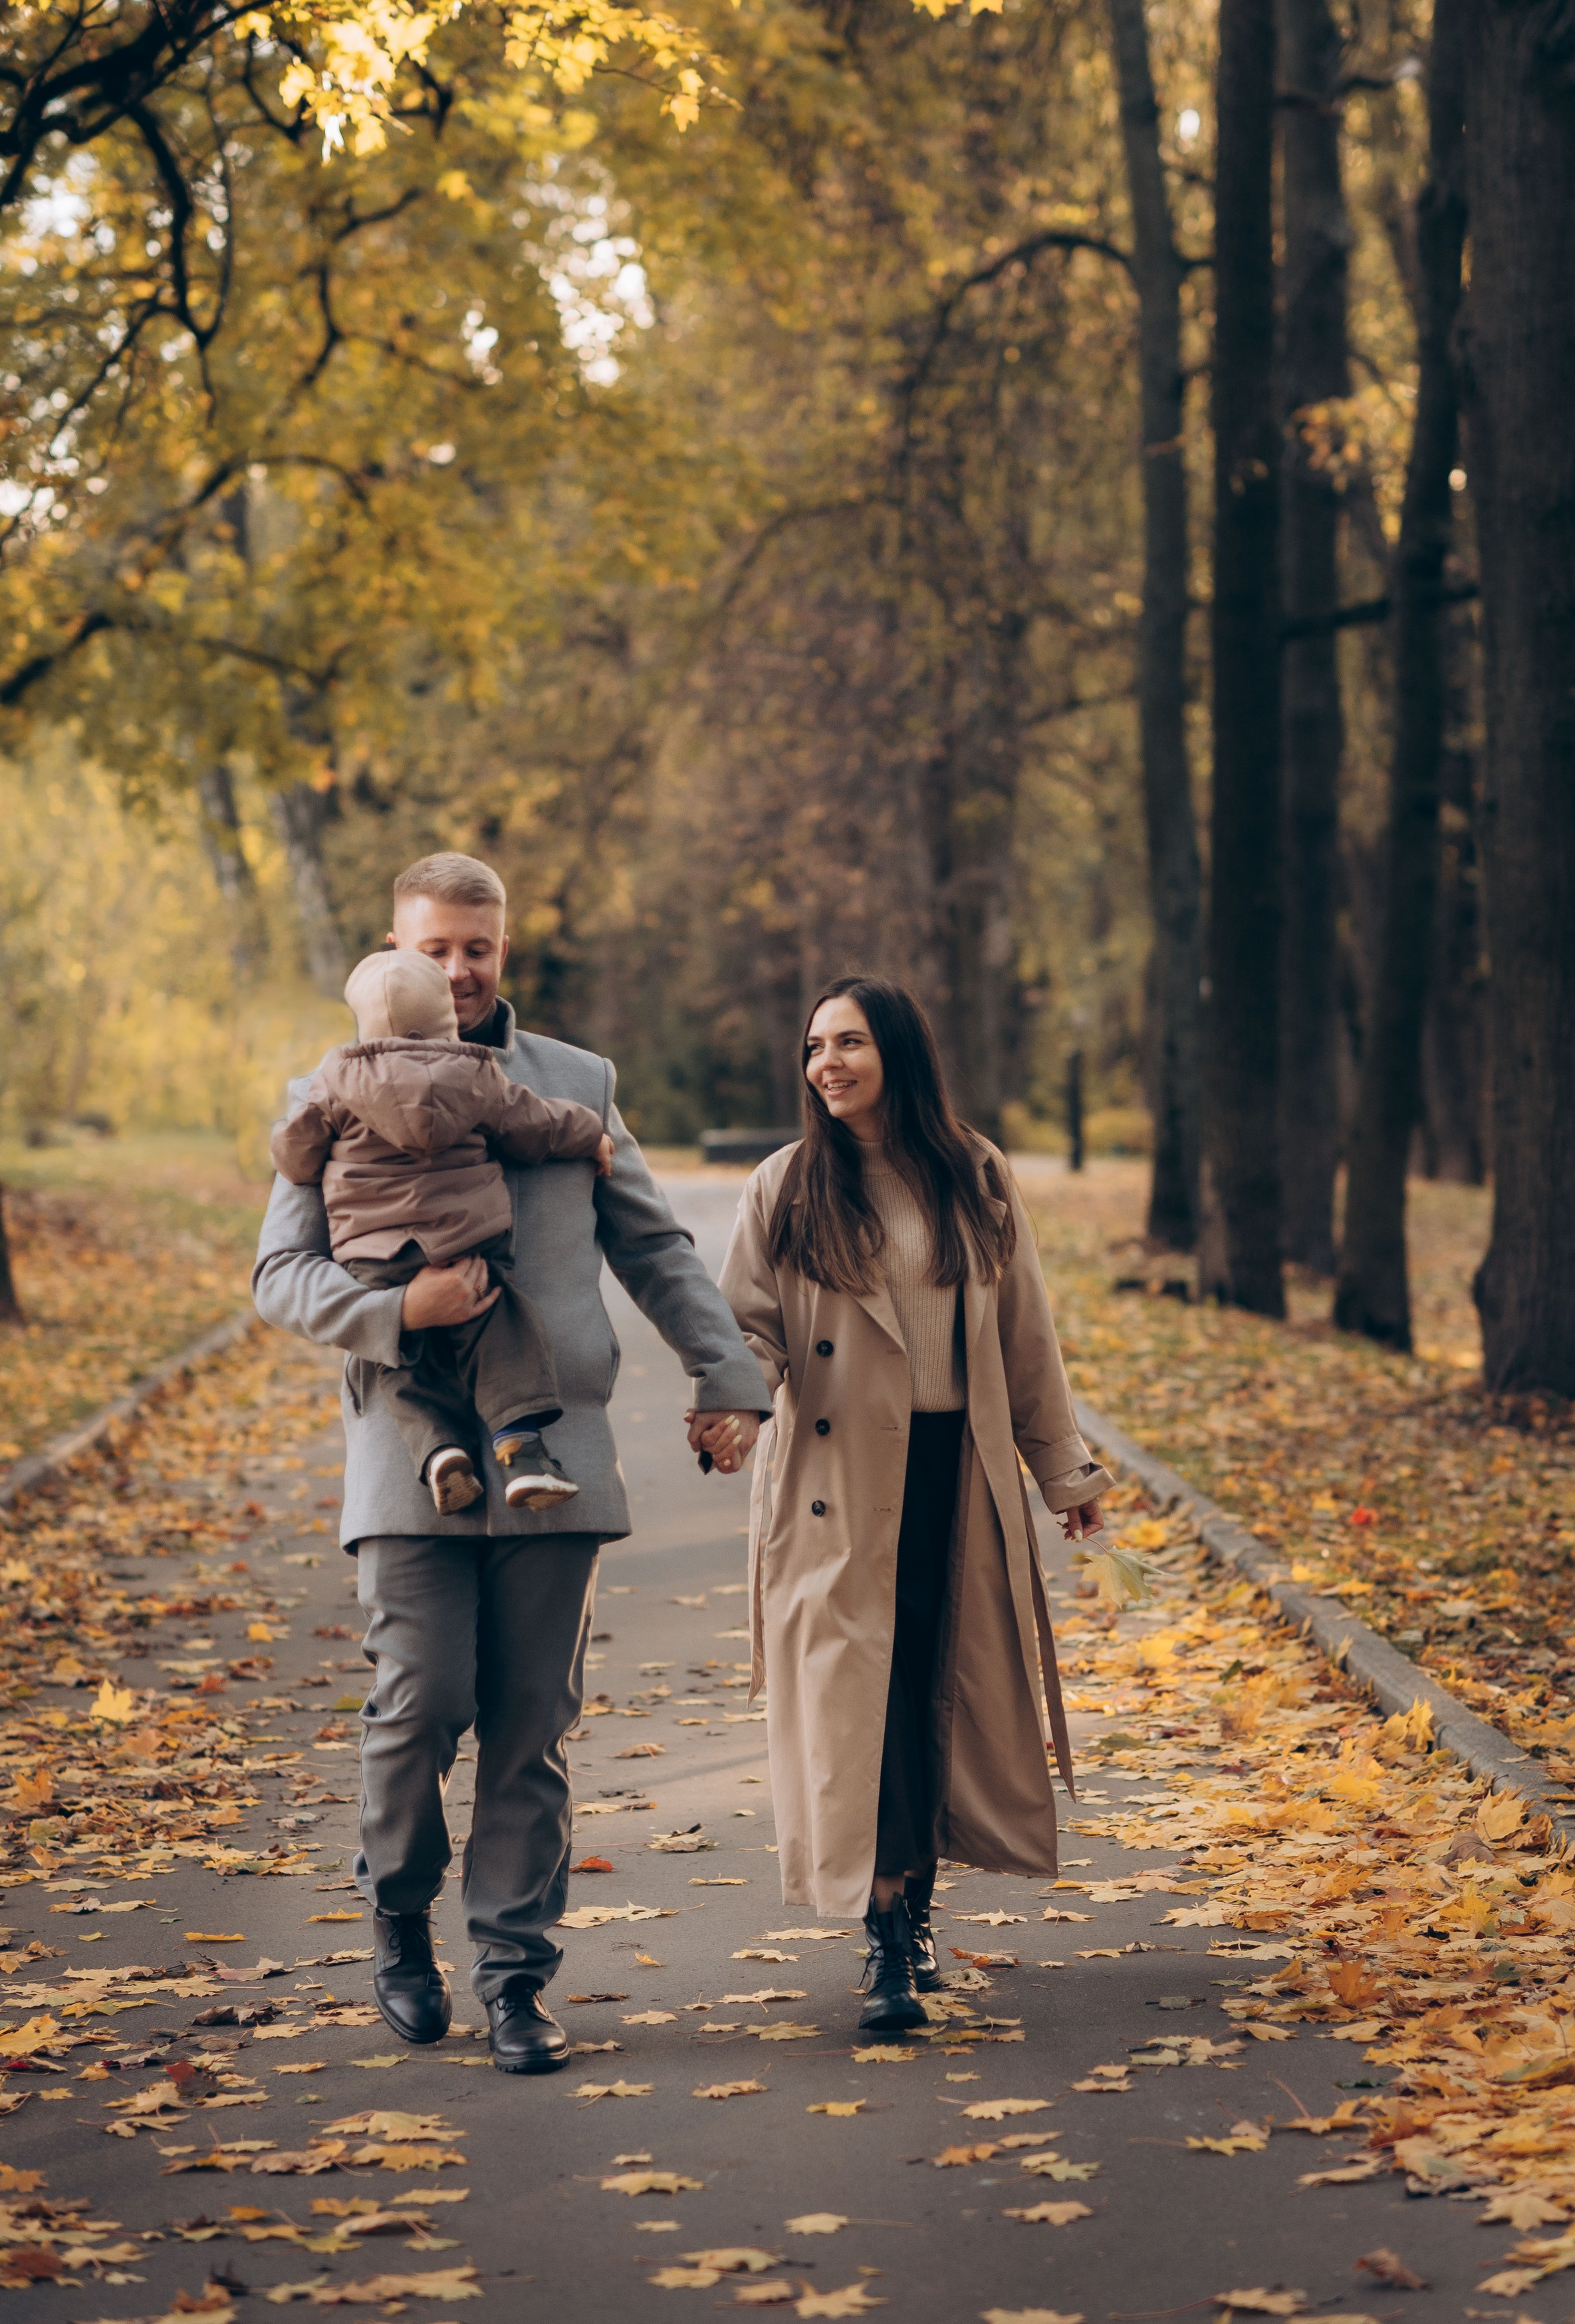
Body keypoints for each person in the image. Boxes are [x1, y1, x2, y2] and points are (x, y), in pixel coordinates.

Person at [252, 853, 767, 2074]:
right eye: (435, 947)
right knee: (418, 1709)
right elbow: (281, 1278)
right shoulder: (325, 1090)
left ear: (503, 946)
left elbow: (653, 1243)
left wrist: (728, 1374)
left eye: (477, 946)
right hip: (406, 1446)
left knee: (531, 1733)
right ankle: (397, 1918)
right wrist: (403, 1312)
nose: (459, 968)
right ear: (396, 947)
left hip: (559, 1451)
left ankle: (515, 1980)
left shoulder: (573, 1087)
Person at [714, 977, 1109, 2035]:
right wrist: (737, 1411)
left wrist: (1061, 1468)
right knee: (865, 1703)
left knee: (940, 1688)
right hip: (836, 1484)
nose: (826, 1063)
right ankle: (885, 1931)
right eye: (812, 1046)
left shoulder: (971, 1171)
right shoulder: (787, 1183)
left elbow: (1026, 1331)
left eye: (847, 1041)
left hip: (955, 1469)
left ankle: (918, 1903)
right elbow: (745, 1324)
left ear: (898, 1049)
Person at [271, 945, 615, 1517]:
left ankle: (438, 1454)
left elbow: (297, 1156)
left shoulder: (336, 1078)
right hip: (466, 1243)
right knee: (504, 1328)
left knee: (398, 1363)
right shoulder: (477, 1071)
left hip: (373, 1254)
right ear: (445, 1019)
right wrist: (591, 1132)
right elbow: (535, 1123)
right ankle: (520, 1448)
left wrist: (294, 1140)